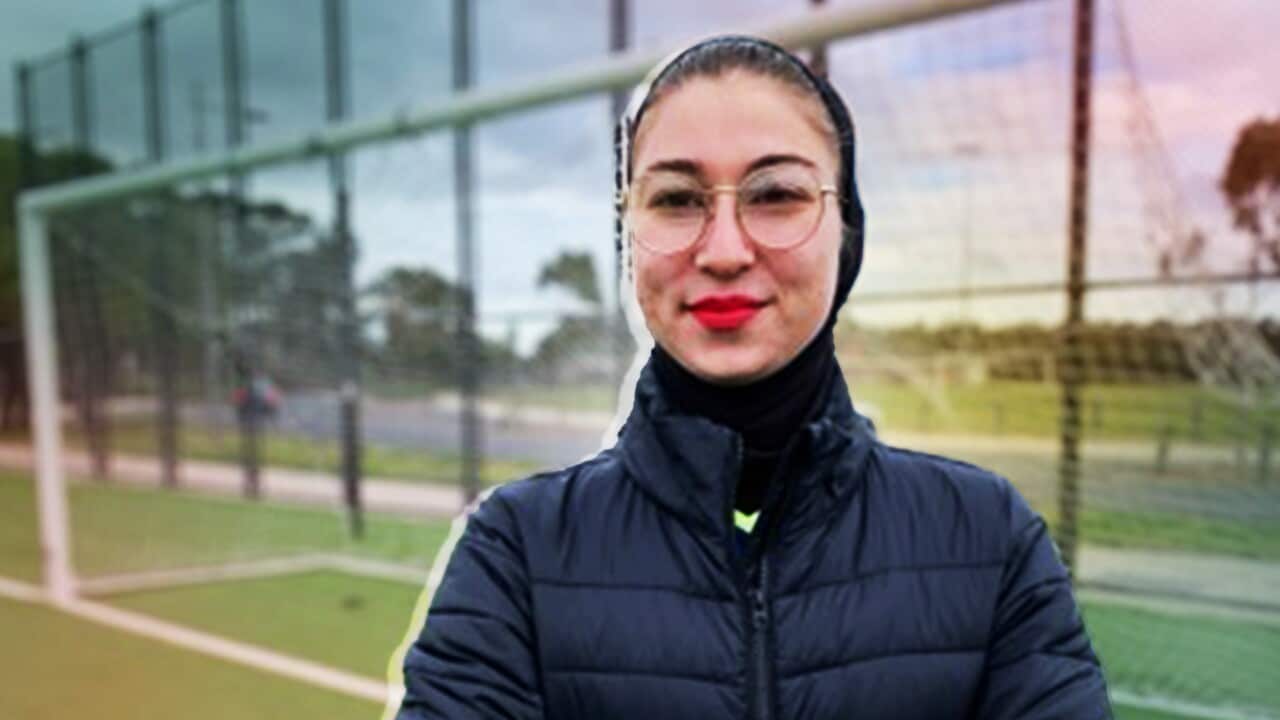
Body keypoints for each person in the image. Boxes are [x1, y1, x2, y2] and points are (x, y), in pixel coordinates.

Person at [397, 35, 1111, 719]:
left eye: (777, 194)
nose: (726, 249)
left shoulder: (986, 538)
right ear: (629, 237)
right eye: (677, 199)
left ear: (848, 231)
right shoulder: (516, 550)